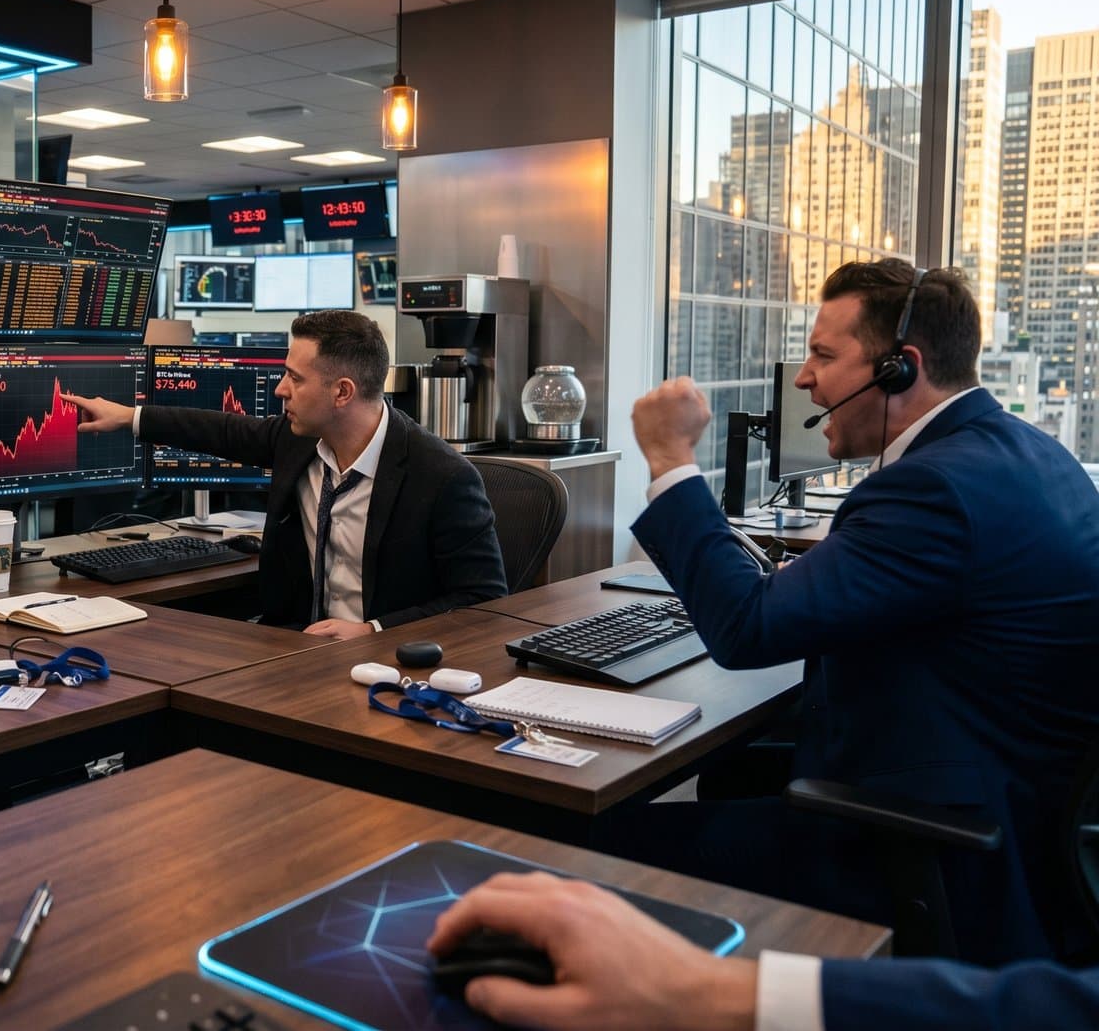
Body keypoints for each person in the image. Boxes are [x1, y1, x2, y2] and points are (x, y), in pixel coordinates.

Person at [615, 260, 1099, 963]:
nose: (804, 378)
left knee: (575, 843)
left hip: (928, 855)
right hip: (1013, 823)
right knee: (725, 774)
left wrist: (669, 456)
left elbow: (746, 627)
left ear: (901, 369)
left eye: (823, 354)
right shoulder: (1032, 454)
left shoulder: (932, 487)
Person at [63, 309, 505, 638]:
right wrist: (129, 417)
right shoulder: (298, 440)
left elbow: (483, 602)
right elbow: (222, 430)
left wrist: (374, 630)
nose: (280, 389)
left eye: (294, 378)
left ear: (342, 392)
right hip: (291, 644)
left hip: (382, 664)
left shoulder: (442, 477)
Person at [426, 871, 1099, 1031]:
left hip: (910, 864)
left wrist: (714, 991)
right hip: (1018, 871)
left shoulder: (936, 501)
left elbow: (748, 627)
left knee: (611, 859)